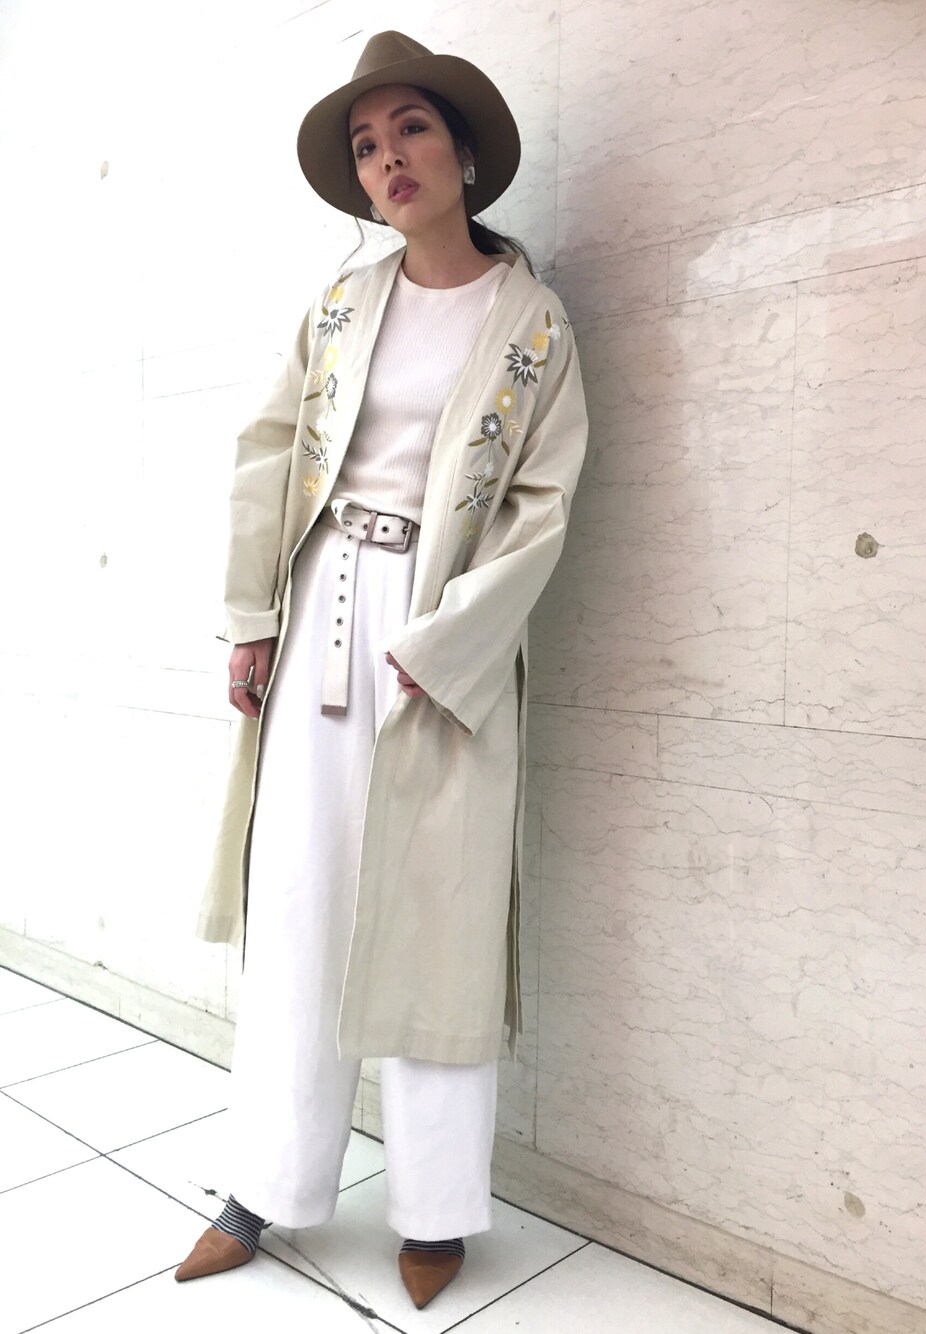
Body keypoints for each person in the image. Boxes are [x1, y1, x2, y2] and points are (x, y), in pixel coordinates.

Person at [175, 29, 588, 1310]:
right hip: (319, 620)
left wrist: (445, 641)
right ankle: (265, 1184)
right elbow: (266, 453)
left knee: (434, 911)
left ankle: (437, 1207)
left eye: (409, 128)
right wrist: (252, 617)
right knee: (301, 893)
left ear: (462, 150)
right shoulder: (343, 306)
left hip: (441, 641)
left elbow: (541, 506)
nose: (387, 158)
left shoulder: (532, 325)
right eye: (365, 145)